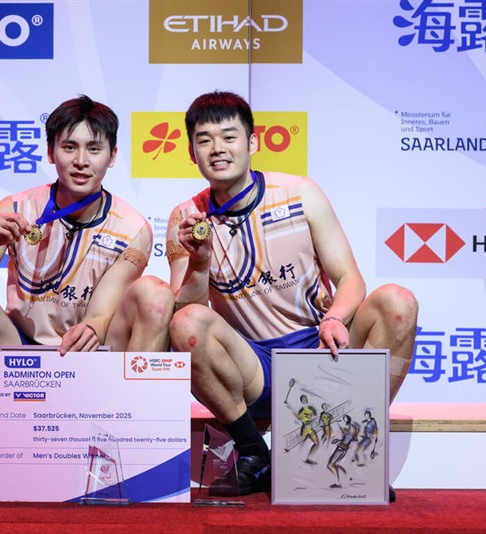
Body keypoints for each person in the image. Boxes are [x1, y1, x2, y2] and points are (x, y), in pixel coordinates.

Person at [165, 91, 418, 497]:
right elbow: (187, 313)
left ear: (252, 143)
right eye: (205, 139)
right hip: (254, 369)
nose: (217, 149)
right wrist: (200, 262)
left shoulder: (300, 193)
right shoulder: (187, 217)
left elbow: (351, 278)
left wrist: (334, 317)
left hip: (322, 348)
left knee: (397, 302)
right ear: (192, 152)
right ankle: (253, 452)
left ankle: (351, 443)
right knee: (186, 323)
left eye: (229, 137)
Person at [0, 95, 175, 497]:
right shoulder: (16, 209)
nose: (81, 161)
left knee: (154, 293)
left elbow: (100, 315)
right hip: (22, 356)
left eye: (94, 149)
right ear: (51, 153)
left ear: (112, 157)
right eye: (69, 147)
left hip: (89, 356)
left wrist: (94, 326)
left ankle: (132, 449)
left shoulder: (132, 227)